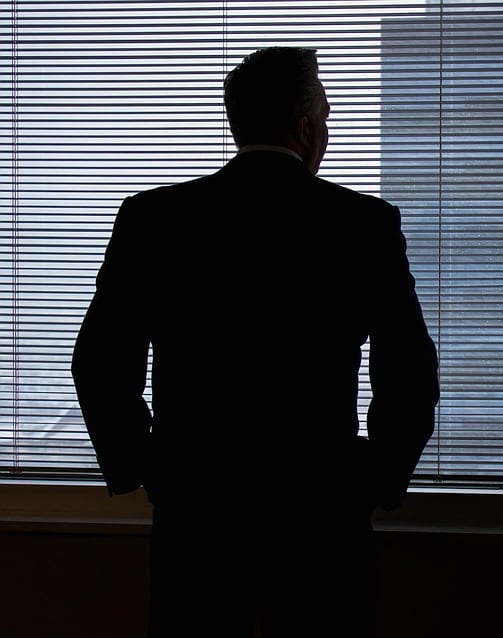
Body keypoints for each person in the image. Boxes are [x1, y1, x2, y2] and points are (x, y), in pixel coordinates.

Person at [71, 46, 440, 637]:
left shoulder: (154, 219)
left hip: (196, 516)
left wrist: (145, 467)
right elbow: (411, 373)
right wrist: (375, 482)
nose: (328, 128)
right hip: (321, 518)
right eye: (326, 115)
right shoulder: (362, 225)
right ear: (304, 128)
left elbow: (98, 364)